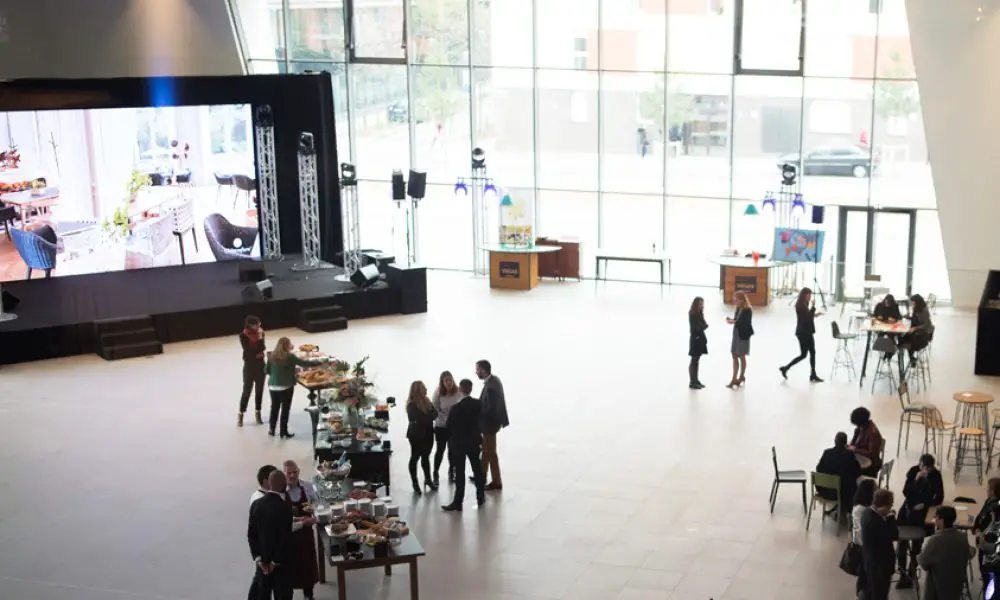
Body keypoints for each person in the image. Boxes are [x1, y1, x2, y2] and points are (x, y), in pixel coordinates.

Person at [895, 454, 945, 588]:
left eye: (929, 468)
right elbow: (906, 492)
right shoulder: (913, 471)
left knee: (917, 546)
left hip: (923, 514)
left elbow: (939, 497)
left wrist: (925, 504)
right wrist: (916, 481)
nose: (926, 471)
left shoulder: (936, 475)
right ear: (920, 465)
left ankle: (912, 572)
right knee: (901, 546)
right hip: (907, 512)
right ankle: (902, 574)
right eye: (924, 467)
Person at [248, 470, 293, 600]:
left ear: (269, 484)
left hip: (263, 564)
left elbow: (252, 535)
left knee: (263, 594)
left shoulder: (256, 505)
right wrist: (275, 562)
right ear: (283, 484)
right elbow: (285, 538)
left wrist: (259, 559)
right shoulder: (284, 508)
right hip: (281, 565)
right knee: (283, 595)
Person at [442, 378, 486, 512]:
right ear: (471, 389)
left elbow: (448, 425)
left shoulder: (456, 408)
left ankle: (458, 502)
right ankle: (480, 496)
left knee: (460, 473)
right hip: (473, 441)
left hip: (459, 443)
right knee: (477, 469)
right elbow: (481, 421)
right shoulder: (478, 404)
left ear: (460, 390)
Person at [919, 506, 976, 600]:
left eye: (935, 517)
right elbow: (970, 553)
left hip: (937, 588)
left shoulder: (935, 540)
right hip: (956, 585)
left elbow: (923, 563)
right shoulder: (962, 537)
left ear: (941, 520)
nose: (934, 520)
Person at [282, 460, 318, 600]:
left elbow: (316, 502)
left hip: (306, 535)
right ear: (284, 474)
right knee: (290, 566)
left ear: (299, 471)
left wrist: (313, 510)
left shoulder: (307, 487)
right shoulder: (281, 492)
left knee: (307, 564)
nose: (292, 475)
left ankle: (308, 595)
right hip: (289, 536)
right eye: (288, 473)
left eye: (294, 472)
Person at [265, 337, 309, 439]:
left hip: (273, 386)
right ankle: (283, 432)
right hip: (286, 387)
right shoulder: (289, 356)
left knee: (274, 408)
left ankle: (271, 430)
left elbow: (266, 371)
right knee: (285, 409)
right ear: (287, 345)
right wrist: (317, 363)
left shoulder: (271, 356)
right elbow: (303, 363)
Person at [477, 359, 509, 491]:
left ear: (483, 370)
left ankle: (490, 480)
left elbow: (490, 409)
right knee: (489, 452)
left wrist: (477, 413)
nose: (476, 372)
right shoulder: (494, 381)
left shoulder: (490, 387)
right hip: (492, 425)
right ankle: (488, 477)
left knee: (488, 453)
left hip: (489, 426)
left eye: (477, 369)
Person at [861, 489, 899, 600]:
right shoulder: (875, 522)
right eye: (890, 506)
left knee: (872, 591)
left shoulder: (867, 513)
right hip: (880, 567)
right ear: (883, 506)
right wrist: (891, 518)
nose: (890, 509)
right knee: (880, 594)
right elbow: (893, 535)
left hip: (871, 562)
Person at [780, 287, 823, 383]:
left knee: (808, 353)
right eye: (809, 295)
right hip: (804, 333)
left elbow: (807, 316)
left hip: (805, 331)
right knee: (807, 354)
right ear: (804, 295)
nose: (810, 297)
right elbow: (806, 318)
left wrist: (815, 314)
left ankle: (811, 374)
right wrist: (813, 307)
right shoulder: (800, 305)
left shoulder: (803, 304)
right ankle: (811, 374)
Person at [815, 432, 861, 512]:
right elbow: (857, 471)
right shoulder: (849, 455)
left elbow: (818, 468)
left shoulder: (827, 453)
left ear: (835, 441)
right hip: (842, 493)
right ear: (846, 443)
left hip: (825, 491)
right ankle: (848, 511)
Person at [406, 380, 438, 495]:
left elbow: (435, 414)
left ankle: (428, 480)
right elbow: (416, 419)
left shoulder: (427, 400)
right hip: (416, 435)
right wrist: (428, 417)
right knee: (415, 458)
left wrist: (427, 417)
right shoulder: (411, 404)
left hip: (429, 433)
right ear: (417, 390)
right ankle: (415, 483)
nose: (426, 389)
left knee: (426, 457)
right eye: (424, 388)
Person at [431, 371, 462, 486]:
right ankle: (435, 473)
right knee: (440, 450)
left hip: (454, 426)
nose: (449, 382)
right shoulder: (438, 392)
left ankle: (451, 472)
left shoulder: (458, 391)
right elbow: (435, 409)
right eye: (446, 380)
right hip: (441, 425)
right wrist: (446, 419)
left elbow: (461, 406)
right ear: (442, 382)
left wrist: (454, 420)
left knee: (452, 450)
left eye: (450, 379)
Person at [851, 479, 878, 598]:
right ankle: (862, 594)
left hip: (867, 543)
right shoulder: (860, 509)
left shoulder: (867, 506)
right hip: (863, 545)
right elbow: (861, 531)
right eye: (875, 489)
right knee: (865, 572)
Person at [239, 316, 267, 427]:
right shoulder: (243, 335)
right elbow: (247, 350)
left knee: (259, 391)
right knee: (247, 391)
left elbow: (262, 347)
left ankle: (258, 413)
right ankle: (241, 414)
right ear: (249, 325)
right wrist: (257, 351)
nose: (258, 326)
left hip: (260, 366)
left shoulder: (260, 334)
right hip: (249, 367)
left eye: (259, 324)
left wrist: (260, 339)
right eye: (256, 324)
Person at [726, 292, 753, 389]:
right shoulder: (738, 308)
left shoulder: (747, 309)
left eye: (736, 299)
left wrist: (733, 321)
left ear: (741, 299)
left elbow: (744, 323)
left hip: (743, 335)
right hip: (736, 333)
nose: (734, 300)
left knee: (741, 356)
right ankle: (734, 378)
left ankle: (741, 376)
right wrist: (733, 320)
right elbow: (737, 320)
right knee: (734, 354)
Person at [848, 406, 883, 477]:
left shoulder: (873, 434)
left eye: (857, 424)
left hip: (870, 465)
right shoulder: (861, 428)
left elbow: (872, 453)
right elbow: (853, 443)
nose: (857, 426)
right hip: (860, 458)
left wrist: (855, 449)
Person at [902, 294, 934, 359]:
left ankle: (911, 358)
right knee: (904, 338)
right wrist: (907, 317)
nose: (912, 303)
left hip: (924, 333)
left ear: (917, 302)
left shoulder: (924, 310)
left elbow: (926, 324)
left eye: (913, 301)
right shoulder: (915, 308)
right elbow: (914, 318)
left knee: (909, 341)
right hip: (917, 330)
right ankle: (911, 357)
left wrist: (915, 328)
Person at [688, 296, 708, 390]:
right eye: (700, 304)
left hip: (699, 339)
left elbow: (703, 325)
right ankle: (692, 381)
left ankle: (696, 380)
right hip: (695, 339)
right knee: (694, 360)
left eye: (702, 304)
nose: (702, 306)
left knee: (696, 361)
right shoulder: (693, 314)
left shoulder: (698, 314)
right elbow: (699, 327)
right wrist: (704, 326)